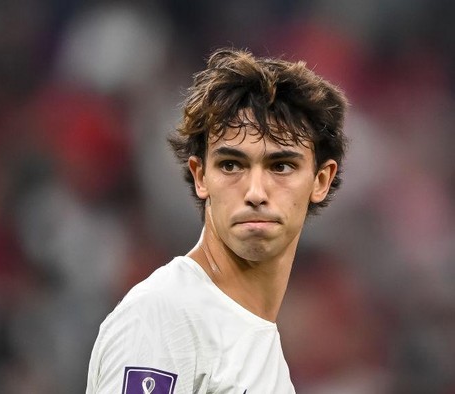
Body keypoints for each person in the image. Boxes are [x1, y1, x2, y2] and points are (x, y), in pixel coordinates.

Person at [85, 47, 348, 393]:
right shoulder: (166, 315)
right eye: (231, 165)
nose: (256, 192)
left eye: (281, 166)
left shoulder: (261, 347)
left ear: (321, 180)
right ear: (200, 176)